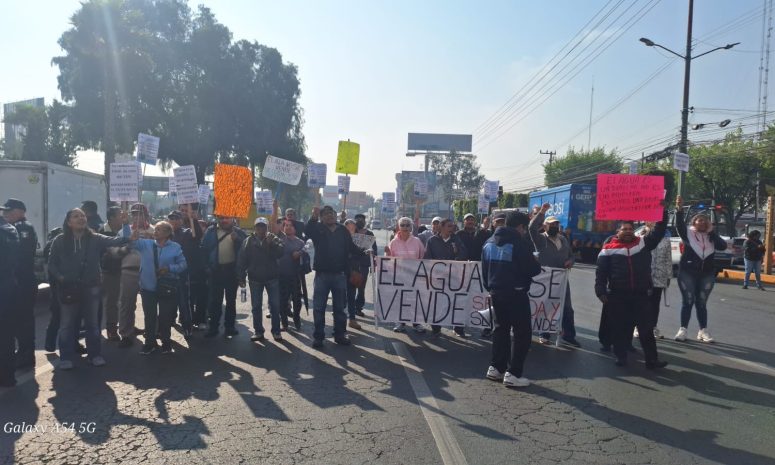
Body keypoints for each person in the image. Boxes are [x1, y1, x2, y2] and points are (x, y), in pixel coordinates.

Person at [47, 208, 130, 369]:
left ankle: (95, 355)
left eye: (83, 215)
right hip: (68, 288)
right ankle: (66, 357)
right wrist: (61, 278)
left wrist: (126, 224)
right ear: (69, 222)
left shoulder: (95, 238)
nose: (81, 218)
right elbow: (51, 264)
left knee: (93, 324)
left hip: (91, 287)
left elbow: (121, 240)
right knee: (67, 324)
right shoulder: (59, 240)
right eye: (76, 216)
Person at [595, 216, 669, 370]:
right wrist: (600, 291)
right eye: (625, 229)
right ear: (618, 232)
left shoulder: (643, 243)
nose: (628, 232)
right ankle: (621, 357)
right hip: (618, 295)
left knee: (646, 329)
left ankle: (652, 360)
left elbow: (659, 231)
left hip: (641, 295)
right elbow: (601, 273)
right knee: (619, 329)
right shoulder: (607, 249)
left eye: (630, 229)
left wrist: (662, 212)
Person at [482, 211, 542, 388]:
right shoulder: (519, 243)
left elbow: (484, 270)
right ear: (521, 227)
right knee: (522, 333)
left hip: (496, 292)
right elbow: (532, 269)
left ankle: (496, 367)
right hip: (516, 293)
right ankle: (514, 373)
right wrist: (535, 261)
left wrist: (491, 288)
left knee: (500, 330)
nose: (524, 232)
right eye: (524, 228)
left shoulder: (489, 242)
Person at [305, 205, 364, 348]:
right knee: (319, 308)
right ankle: (318, 337)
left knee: (339, 309)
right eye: (325, 214)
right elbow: (306, 230)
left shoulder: (343, 230)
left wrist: (364, 251)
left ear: (335, 215)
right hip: (322, 276)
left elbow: (351, 248)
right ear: (321, 217)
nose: (329, 215)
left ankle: (339, 334)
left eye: (331, 213)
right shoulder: (318, 229)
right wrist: (313, 216)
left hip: (340, 276)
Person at [674, 196, 728, 343]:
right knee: (688, 301)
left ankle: (703, 330)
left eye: (705, 220)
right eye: (699, 220)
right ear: (694, 222)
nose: (702, 222)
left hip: (707, 273)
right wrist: (679, 209)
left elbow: (722, 246)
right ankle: (683, 329)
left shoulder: (711, 236)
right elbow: (678, 224)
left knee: (702, 302)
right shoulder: (688, 233)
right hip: (687, 273)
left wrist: (712, 233)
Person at [528, 204, 579, 347]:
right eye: (551, 224)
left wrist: (571, 261)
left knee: (567, 308)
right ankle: (544, 333)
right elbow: (531, 228)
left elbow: (571, 256)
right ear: (544, 226)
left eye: (556, 224)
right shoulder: (540, 239)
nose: (555, 226)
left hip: (561, 280)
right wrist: (542, 212)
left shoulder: (563, 239)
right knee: (545, 306)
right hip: (544, 280)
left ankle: (569, 335)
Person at [132, 221, 187, 354]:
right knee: (149, 316)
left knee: (165, 316)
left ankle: (166, 342)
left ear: (168, 233)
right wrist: (126, 226)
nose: (155, 232)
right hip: (147, 287)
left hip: (167, 287)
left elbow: (183, 265)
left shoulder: (175, 247)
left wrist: (169, 269)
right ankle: (150, 343)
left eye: (159, 230)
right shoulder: (146, 244)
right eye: (155, 229)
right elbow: (130, 243)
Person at [2, 199, 38, 369]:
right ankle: (22, 353)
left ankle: (26, 356)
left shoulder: (24, 228)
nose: (5, 214)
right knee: (16, 320)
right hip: (16, 282)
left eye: (9, 211)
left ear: (20, 211)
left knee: (24, 321)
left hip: (23, 282)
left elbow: (18, 256)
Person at [238, 217, 285, 341]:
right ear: (255, 228)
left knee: (275, 306)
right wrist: (241, 277)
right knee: (256, 306)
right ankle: (258, 331)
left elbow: (281, 253)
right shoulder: (248, 241)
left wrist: (272, 244)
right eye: (258, 226)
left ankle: (276, 331)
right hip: (255, 278)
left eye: (263, 226)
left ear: (267, 227)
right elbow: (242, 260)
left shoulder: (273, 238)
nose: (261, 229)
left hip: (272, 278)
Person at [116, 203, 154, 348]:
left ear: (146, 215)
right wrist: (129, 242)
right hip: (129, 270)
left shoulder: (154, 230)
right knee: (126, 304)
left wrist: (149, 238)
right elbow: (117, 250)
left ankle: (152, 334)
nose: (137, 216)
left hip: (148, 272)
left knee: (149, 305)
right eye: (134, 214)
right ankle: (126, 334)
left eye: (140, 213)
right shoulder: (124, 231)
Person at [202, 216, 247, 337]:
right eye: (221, 218)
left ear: (232, 219)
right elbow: (204, 249)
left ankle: (230, 327)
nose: (224, 220)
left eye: (226, 218)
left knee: (231, 301)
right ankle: (213, 328)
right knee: (215, 301)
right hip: (215, 271)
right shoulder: (210, 231)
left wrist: (237, 239)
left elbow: (246, 250)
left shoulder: (239, 232)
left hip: (231, 271)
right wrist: (207, 267)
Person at [424, 218, 468, 336]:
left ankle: (458, 328)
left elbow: (463, 254)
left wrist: (454, 261)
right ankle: (436, 326)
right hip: (437, 279)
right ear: (441, 227)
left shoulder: (456, 240)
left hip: (453, 278)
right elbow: (427, 258)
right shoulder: (432, 241)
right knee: (437, 302)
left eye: (453, 226)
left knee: (456, 302)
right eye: (449, 226)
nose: (452, 228)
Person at [388, 217, 426, 333]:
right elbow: (389, 260)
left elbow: (422, 258)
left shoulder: (417, 241)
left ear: (411, 227)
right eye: (402, 225)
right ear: (399, 227)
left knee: (415, 300)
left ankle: (416, 323)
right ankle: (400, 322)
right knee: (399, 300)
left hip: (414, 277)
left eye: (407, 225)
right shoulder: (393, 243)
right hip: (399, 277)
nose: (405, 227)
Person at [168, 209, 202, 339]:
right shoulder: (164, 234)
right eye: (171, 218)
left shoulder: (187, 232)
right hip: (167, 273)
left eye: (176, 218)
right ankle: (166, 324)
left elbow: (197, 234)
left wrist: (194, 219)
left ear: (181, 221)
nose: (173, 221)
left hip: (182, 273)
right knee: (167, 301)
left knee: (184, 302)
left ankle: (187, 327)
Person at [635, 222, 672, 339]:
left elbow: (668, 259)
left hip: (659, 276)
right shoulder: (639, 237)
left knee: (655, 303)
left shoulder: (665, 240)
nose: (653, 223)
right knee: (642, 302)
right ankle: (638, 327)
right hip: (643, 276)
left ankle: (653, 327)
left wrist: (668, 276)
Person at [99, 206, 127, 342]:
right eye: (120, 215)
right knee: (112, 301)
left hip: (126, 270)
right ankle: (111, 329)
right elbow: (111, 253)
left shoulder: (124, 230)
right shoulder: (102, 232)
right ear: (111, 218)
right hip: (110, 272)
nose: (123, 217)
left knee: (126, 301)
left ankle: (127, 326)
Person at [179, 203, 208, 329]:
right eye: (183, 210)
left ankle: (201, 319)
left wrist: (193, 219)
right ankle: (187, 318)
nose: (185, 212)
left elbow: (197, 235)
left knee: (200, 294)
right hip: (183, 266)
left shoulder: (194, 223)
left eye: (187, 210)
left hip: (197, 266)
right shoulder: (176, 226)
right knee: (186, 295)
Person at [0, 203, 20, 387]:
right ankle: (7, 376)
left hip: (4, 286)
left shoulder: (6, 231)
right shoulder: (10, 230)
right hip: (8, 286)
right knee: (6, 334)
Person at [277, 219, 306, 330]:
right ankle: (284, 323)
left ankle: (296, 318)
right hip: (281, 275)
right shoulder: (280, 239)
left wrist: (300, 253)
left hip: (295, 276)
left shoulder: (300, 242)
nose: (287, 227)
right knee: (282, 301)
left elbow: (305, 259)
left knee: (297, 300)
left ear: (295, 228)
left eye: (290, 225)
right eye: (286, 225)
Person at [350, 213, 377, 319]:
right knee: (350, 287)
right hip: (352, 264)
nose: (359, 221)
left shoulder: (370, 233)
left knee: (361, 287)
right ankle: (349, 308)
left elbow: (374, 250)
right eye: (357, 220)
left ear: (365, 221)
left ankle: (358, 308)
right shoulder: (351, 232)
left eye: (362, 220)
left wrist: (373, 264)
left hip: (364, 265)